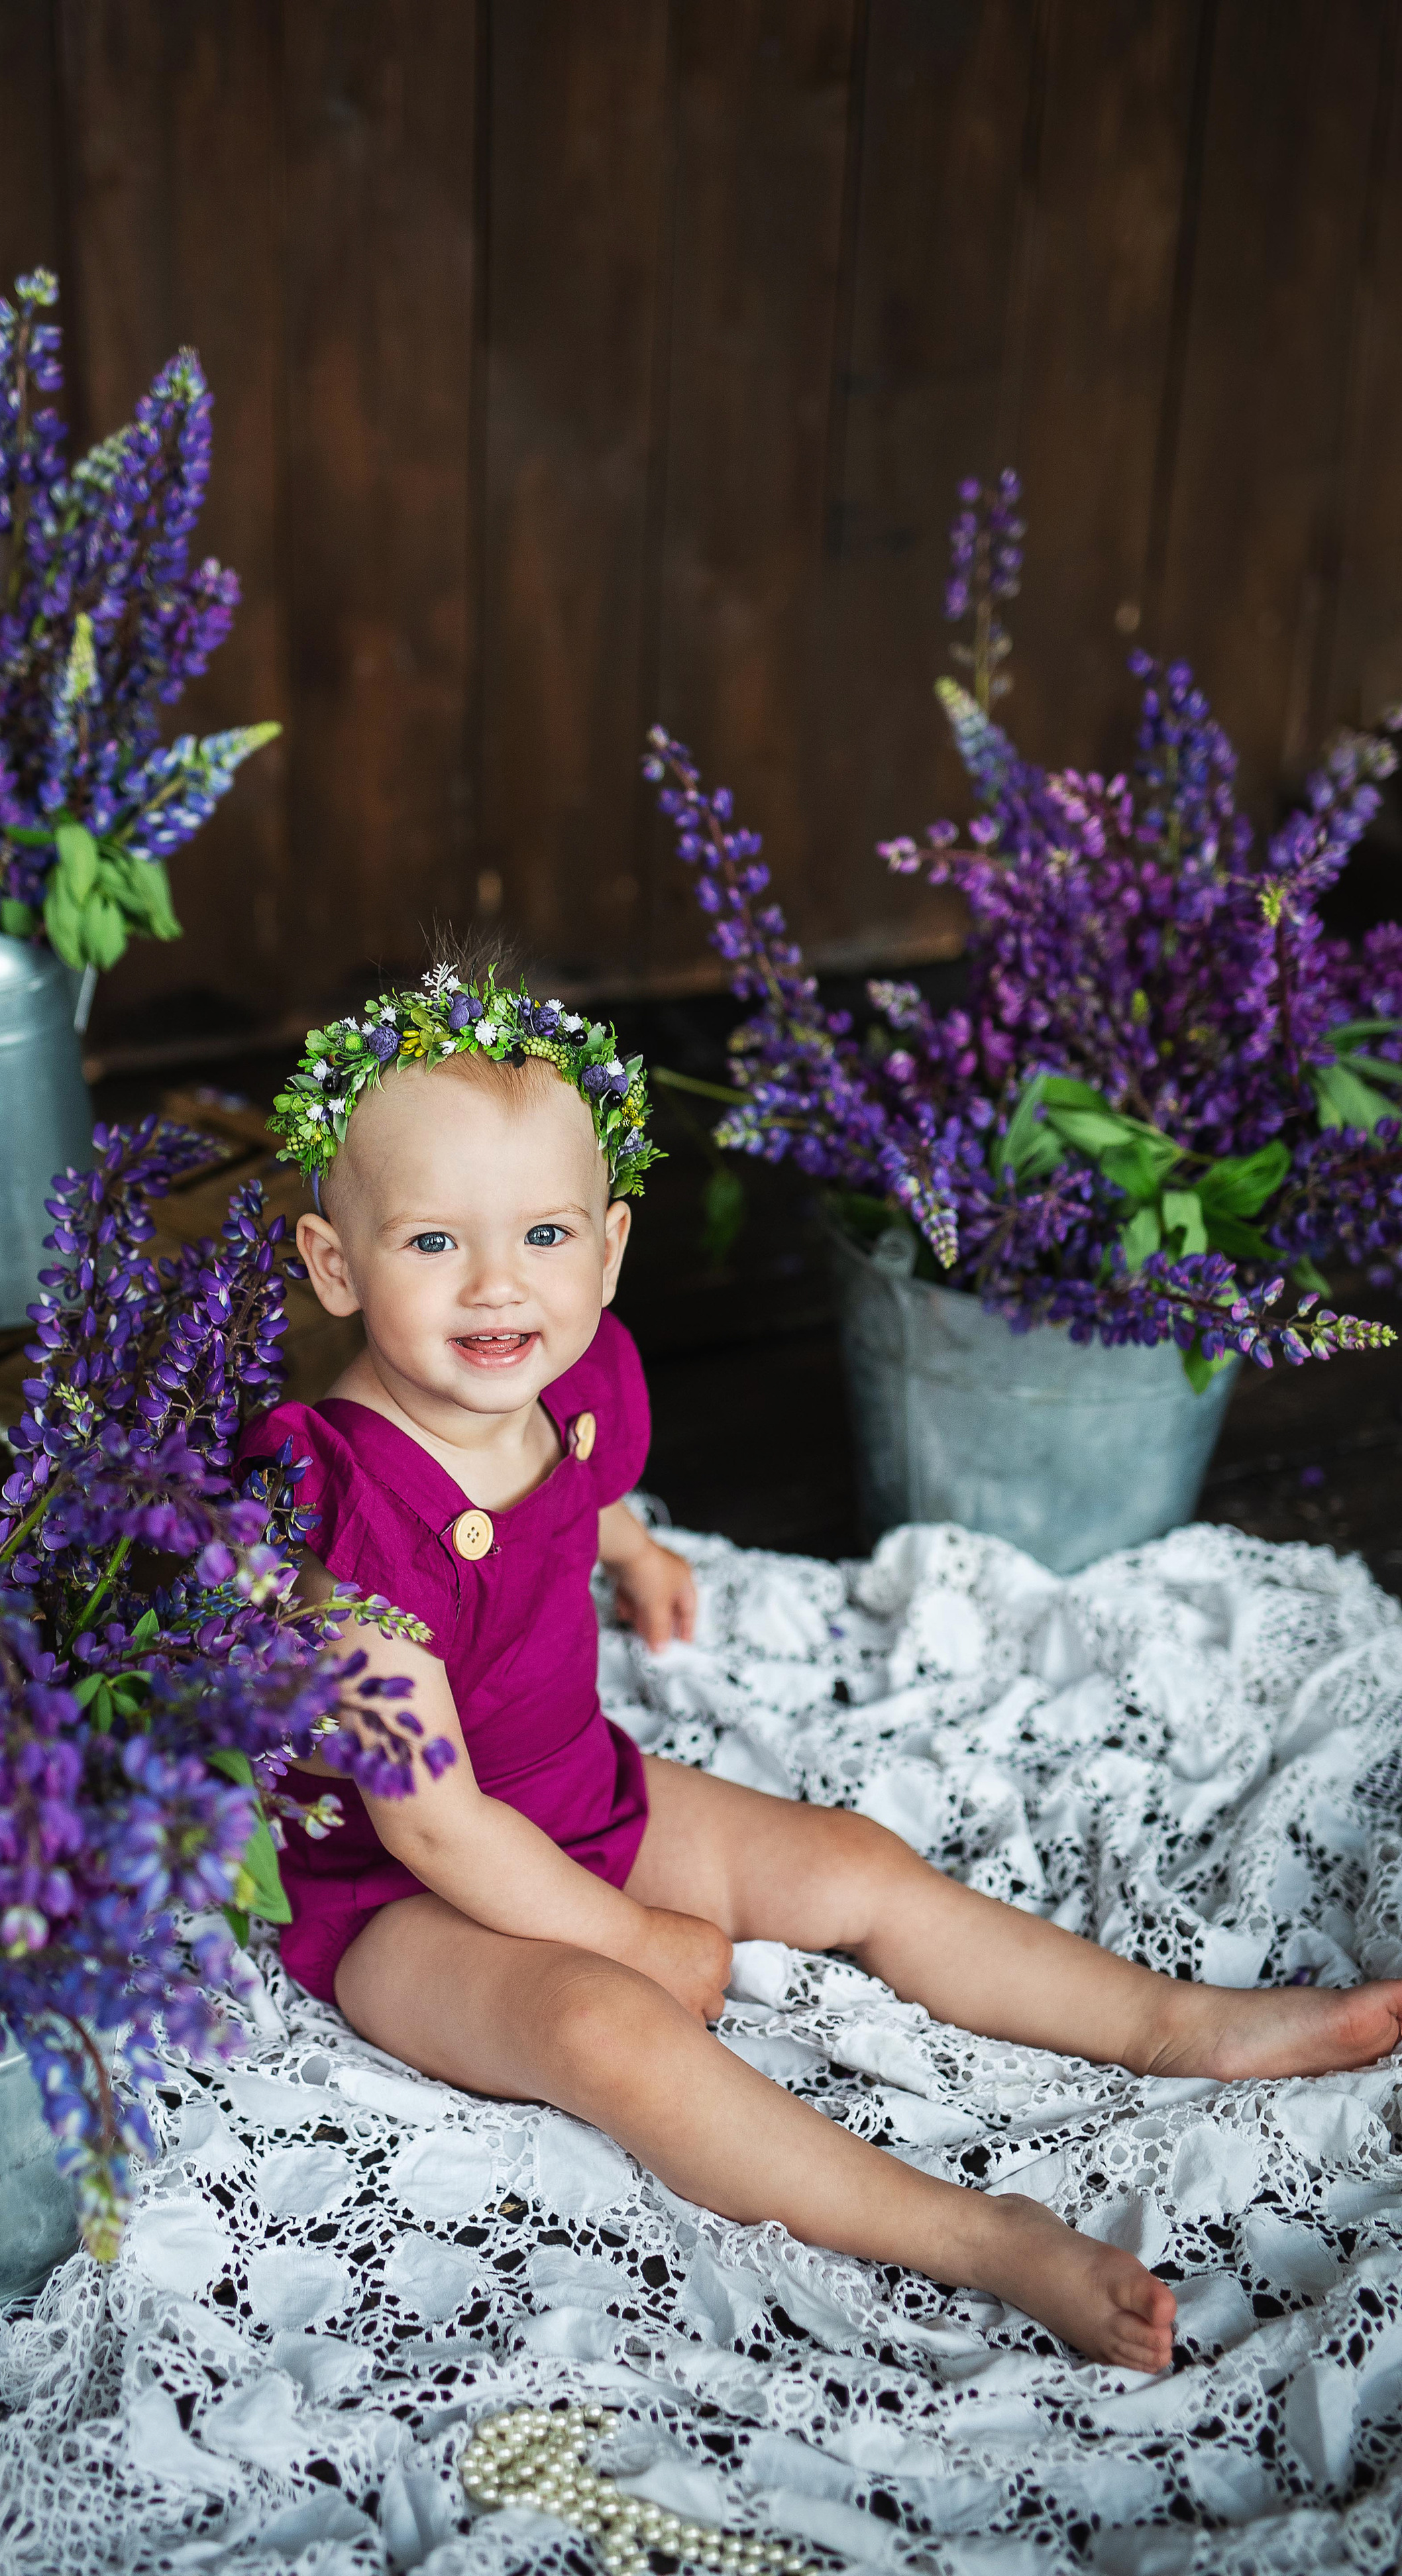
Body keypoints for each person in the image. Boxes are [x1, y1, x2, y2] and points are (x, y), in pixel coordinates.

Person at [242, 958, 1402, 2374]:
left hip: (572, 1790)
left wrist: (625, 1547)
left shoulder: (563, 1375)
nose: (497, 1285)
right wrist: (632, 1943)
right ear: (332, 1262)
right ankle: (979, 2236)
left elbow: (559, 1474)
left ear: (606, 1251)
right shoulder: (350, 1539)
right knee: (602, 2027)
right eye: (432, 1244)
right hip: (395, 1895)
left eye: (541, 1233)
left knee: (848, 1860)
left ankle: (1176, 2024)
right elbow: (434, 1821)